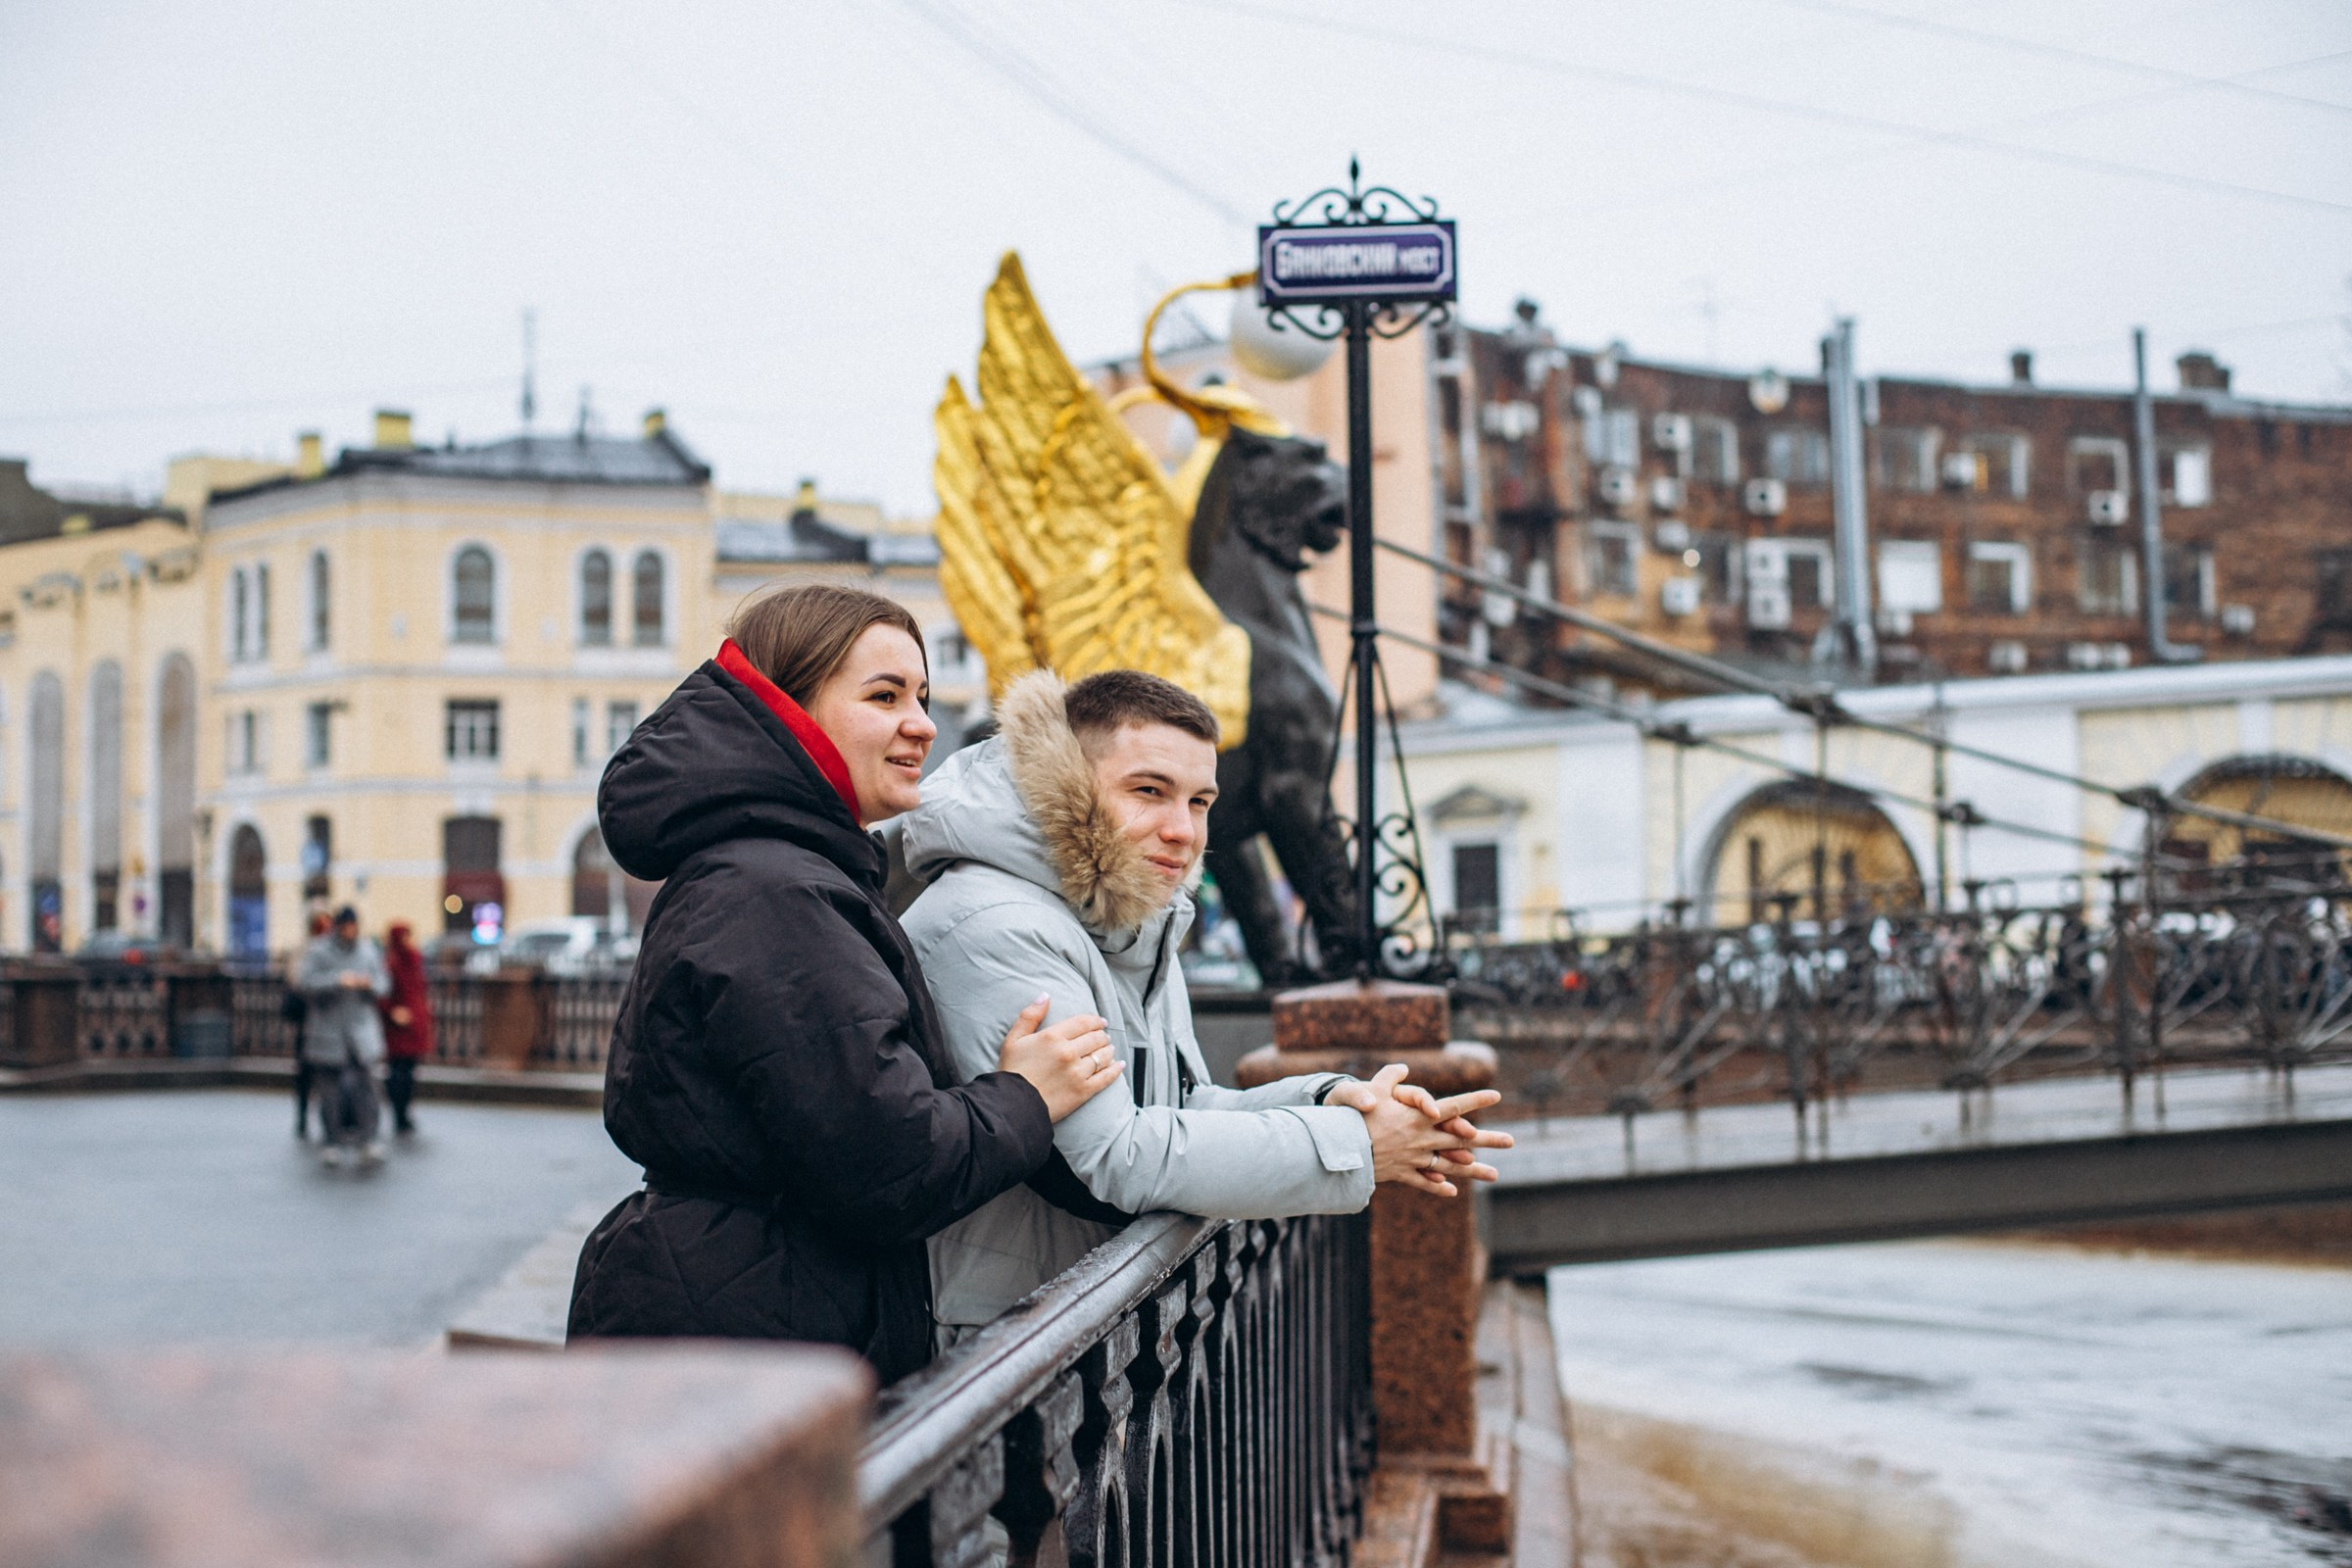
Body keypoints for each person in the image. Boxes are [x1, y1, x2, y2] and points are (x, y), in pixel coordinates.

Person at [566, 583, 1124, 1383]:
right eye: (885, 695)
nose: (922, 724)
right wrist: (1023, 1097)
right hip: (747, 1333)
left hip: (740, 1303)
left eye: (923, 696)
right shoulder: (776, 892)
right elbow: (888, 1165)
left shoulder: (778, 868)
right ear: (786, 709)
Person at [902, 668, 1513, 1338]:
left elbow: (1180, 1105)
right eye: (1149, 792)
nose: (1182, 830)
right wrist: (1357, 1145)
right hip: (994, 1348)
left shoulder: (1129, 918)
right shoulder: (997, 921)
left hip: (1070, 1327)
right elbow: (1114, 1156)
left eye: (1199, 802)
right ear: (1064, 784)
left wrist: (1331, 1098)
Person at [296, 906, 391, 1167]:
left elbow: (384, 984)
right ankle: (332, 1141)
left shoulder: (368, 950)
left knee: (368, 1089)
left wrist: (368, 984)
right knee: (329, 1093)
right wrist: (338, 980)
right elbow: (304, 983)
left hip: (361, 1033)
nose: (351, 931)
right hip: (328, 1032)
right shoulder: (319, 951)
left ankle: (368, 1140)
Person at [378, 921, 433, 1136]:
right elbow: (382, 995)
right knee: (398, 1072)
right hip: (398, 1026)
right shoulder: (391, 963)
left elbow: (419, 989)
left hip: (414, 1023)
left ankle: (404, 1112)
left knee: (409, 1071)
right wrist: (393, 1011)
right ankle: (399, 1114)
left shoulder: (414, 959)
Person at [286, 908, 329, 1138]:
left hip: (329, 1023)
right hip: (309, 1021)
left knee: (328, 1072)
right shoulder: (304, 951)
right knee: (306, 1070)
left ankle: (327, 1116)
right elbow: (297, 982)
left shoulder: (331, 950)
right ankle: (303, 1114)